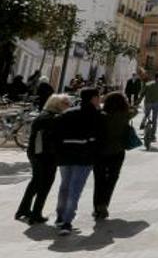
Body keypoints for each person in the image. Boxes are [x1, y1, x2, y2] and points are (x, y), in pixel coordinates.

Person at [16, 94, 71, 224]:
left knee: (35, 182)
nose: (69, 105)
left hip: (35, 153)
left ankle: (23, 210)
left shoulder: (42, 116)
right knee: (45, 184)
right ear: (58, 104)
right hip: (47, 155)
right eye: (66, 103)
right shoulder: (55, 118)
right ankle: (36, 214)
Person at [54, 88, 103, 235]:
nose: (99, 100)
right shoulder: (95, 115)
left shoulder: (68, 113)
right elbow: (99, 137)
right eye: (98, 97)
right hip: (84, 157)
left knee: (64, 187)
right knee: (75, 189)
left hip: (65, 156)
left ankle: (60, 217)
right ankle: (67, 221)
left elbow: (57, 134)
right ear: (93, 99)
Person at [93, 92, 133, 220]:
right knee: (112, 179)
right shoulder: (125, 115)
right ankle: (104, 205)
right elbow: (135, 110)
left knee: (99, 179)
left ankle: (97, 207)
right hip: (118, 150)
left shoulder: (101, 115)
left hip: (100, 151)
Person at [139, 73, 158, 140]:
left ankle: (144, 124)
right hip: (157, 104)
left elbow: (142, 94)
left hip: (149, 103)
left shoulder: (148, 84)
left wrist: (138, 102)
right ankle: (152, 135)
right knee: (154, 119)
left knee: (148, 115)